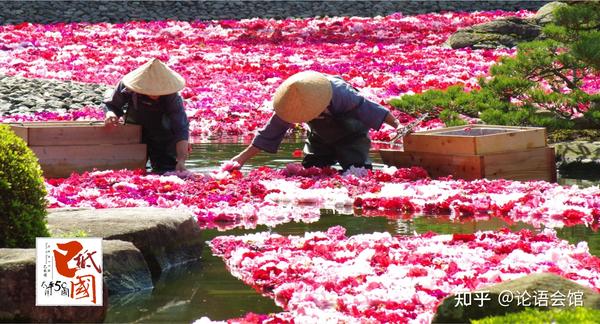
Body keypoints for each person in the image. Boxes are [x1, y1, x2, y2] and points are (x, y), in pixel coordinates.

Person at [231, 71, 404, 171]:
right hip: (319, 137)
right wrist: (240, 159)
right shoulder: (292, 103)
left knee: (357, 169)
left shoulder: (342, 94)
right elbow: (269, 134)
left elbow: (373, 110)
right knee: (312, 169)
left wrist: (398, 126)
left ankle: (355, 160)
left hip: (352, 134)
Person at [104, 58, 190, 173]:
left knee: (165, 170)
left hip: (163, 136)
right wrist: (111, 114)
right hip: (135, 132)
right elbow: (112, 105)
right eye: (151, 91)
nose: (155, 94)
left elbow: (181, 129)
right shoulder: (129, 87)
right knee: (134, 170)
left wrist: (181, 160)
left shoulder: (172, 97)